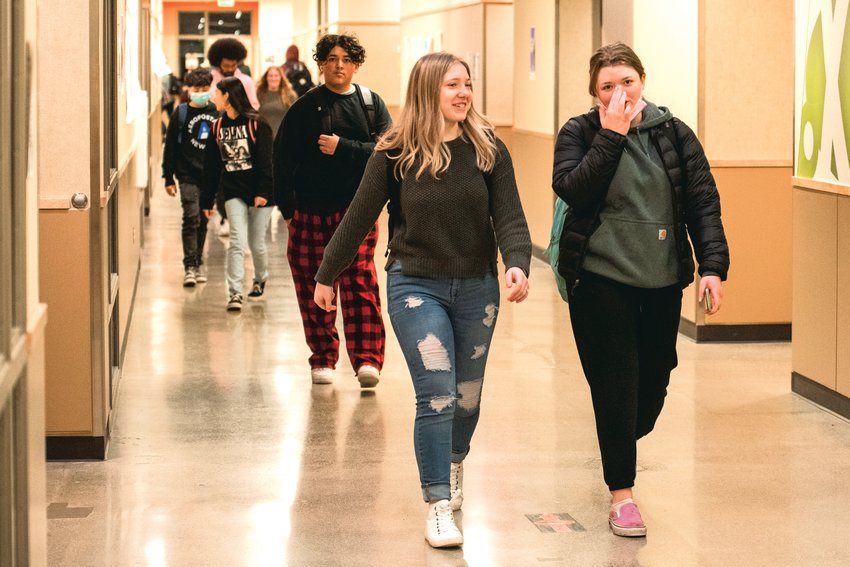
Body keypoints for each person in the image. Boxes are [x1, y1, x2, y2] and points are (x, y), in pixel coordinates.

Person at [314, 52, 531, 548]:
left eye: (467, 84)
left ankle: (453, 464)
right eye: (452, 84)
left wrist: (517, 261)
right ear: (427, 90)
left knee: (466, 397)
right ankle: (436, 503)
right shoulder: (395, 152)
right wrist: (328, 274)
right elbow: (358, 216)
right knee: (436, 391)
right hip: (415, 285)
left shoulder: (487, 148)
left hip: (477, 287)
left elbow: (511, 218)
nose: (463, 93)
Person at [551, 42, 730, 538]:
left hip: (661, 279)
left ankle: (618, 438)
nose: (619, 93)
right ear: (595, 94)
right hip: (599, 278)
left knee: (652, 384)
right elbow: (573, 188)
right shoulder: (581, 132)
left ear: (642, 81)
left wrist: (712, 265)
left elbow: (703, 203)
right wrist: (611, 135)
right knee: (615, 384)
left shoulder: (674, 134)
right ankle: (622, 494)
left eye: (626, 81)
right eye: (607, 87)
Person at [274, 34, 391, 388]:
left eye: (346, 59)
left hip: (357, 211)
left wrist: (345, 148)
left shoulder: (371, 104)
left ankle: (368, 359)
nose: (339, 65)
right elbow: (282, 159)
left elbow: (389, 151)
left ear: (356, 64)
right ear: (321, 64)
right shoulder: (304, 108)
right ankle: (323, 357)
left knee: (360, 285)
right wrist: (287, 209)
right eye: (331, 58)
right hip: (309, 211)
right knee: (313, 286)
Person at [201, 76, 275, 312]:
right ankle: (234, 293)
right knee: (236, 241)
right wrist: (207, 200)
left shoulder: (257, 124)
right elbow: (211, 168)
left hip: (261, 194)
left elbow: (267, 162)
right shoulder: (217, 127)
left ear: (228, 96)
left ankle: (260, 277)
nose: (214, 98)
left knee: (256, 243)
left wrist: (263, 191)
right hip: (233, 191)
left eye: (217, 93)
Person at [161, 68, 219, 286]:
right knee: (191, 216)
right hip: (187, 175)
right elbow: (169, 148)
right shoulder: (181, 113)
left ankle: (198, 262)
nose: (202, 93)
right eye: (197, 89)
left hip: (210, 177)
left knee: (203, 220)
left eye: (205, 89)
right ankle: (189, 266)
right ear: (189, 90)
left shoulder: (216, 112)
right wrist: (168, 177)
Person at [207, 37, 259, 110]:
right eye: (226, 66)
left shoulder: (247, 81)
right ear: (218, 64)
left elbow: (254, 105)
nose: (230, 69)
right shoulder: (210, 80)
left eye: (233, 65)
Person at [256, 65, 297, 139]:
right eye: (270, 76)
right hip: (263, 138)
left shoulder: (290, 95)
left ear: (281, 77)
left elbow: (295, 119)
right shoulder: (258, 94)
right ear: (266, 78)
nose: (273, 78)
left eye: (276, 75)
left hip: (284, 138)